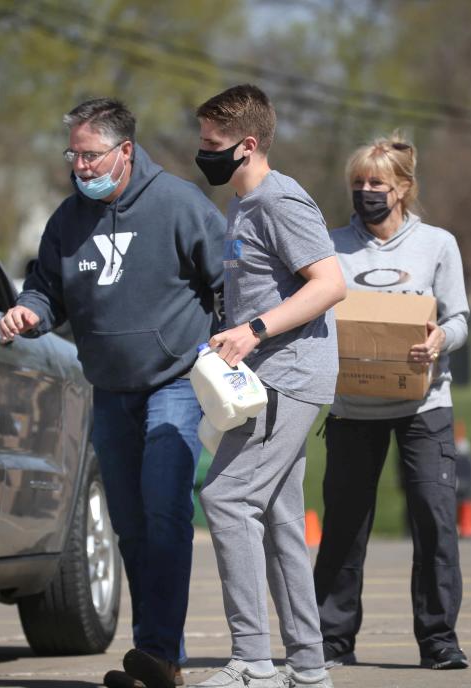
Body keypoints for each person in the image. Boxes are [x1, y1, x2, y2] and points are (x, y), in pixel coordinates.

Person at [0, 98, 226, 688]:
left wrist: (236, 352)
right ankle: (162, 658)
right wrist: (29, 310)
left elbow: (229, 278)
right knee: (129, 522)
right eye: (73, 154)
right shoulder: (66, 222)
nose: (81, 166)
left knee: (165, 509)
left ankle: (154, 651)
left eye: (91, 155)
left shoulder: (178, 204)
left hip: (176, 380)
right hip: (109, 390)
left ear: (125, 151)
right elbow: (47, 289)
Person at [191, 84, 346, 688]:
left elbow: (330, 283)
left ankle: (253, 662)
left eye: (212, 144)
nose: (201, 153)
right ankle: (307, 668)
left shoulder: (280, 202)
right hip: (263, 379)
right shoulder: (244, 204)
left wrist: (253, 330)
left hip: (288, 378)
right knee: (280, 519)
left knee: (227, 499)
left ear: (247, 144)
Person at [312, 134, 470, 671]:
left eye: (377, 183)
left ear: (403, 188)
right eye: (358, 183)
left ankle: (439, 640)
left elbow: (459, 320)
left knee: (433, 517)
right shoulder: (330, 246)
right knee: (344, 525)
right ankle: (333, 640)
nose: (366, 191)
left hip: (425, 408)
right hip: (352, 408)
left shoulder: (438, 245)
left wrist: (438, 341)